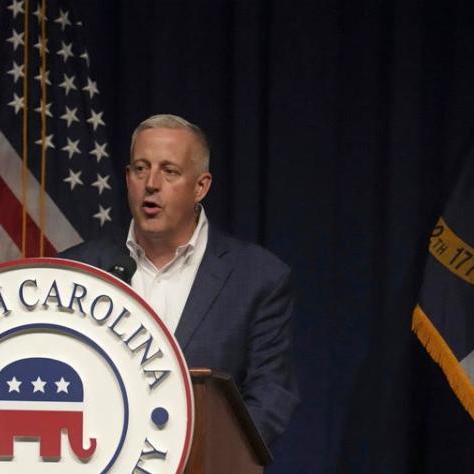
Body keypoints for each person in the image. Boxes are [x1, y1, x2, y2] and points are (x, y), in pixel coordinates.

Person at [61, 114, 299, 447]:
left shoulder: (258, 278)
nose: (151, 183)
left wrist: (190, 458)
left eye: (169, 171)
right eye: (141, 169)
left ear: (201, 186)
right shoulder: (77, 269)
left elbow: (270, 397)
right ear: (128, 178)